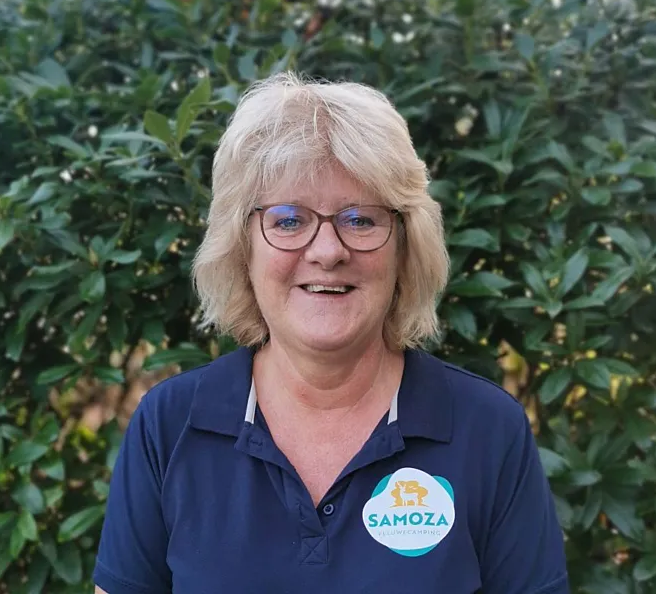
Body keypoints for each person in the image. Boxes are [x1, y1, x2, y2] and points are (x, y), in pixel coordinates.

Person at [92, 71, 569, 594]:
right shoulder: (170, 427)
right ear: (242, 246)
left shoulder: (487, 430)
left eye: (360, 219)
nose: (327, 251)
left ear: (405, 248)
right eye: (289, 219)